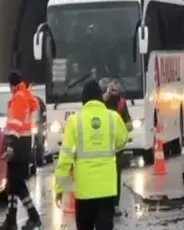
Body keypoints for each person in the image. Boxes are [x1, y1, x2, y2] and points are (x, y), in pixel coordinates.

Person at [55, 78, 129, 230]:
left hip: (84, 192)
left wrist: (59, 189)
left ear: (84, 100)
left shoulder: (74, 121)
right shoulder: (112, 117)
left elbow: (64, 160)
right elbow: (123, 140)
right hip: (107, 190)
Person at [0, 71, 42, 230]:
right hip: (23, 145)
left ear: (12, 85)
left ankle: (33, 216)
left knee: (17, 184)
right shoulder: (25, 96)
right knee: (12, 183)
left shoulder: (19, 98)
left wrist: (10, 146)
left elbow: (15, 125)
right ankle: (11, 219)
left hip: (17, 146)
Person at [99, 78, 134, 217]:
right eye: (110, 90)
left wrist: (121, 129)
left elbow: (129, 124)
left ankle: (114, 205)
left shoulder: (121, 103)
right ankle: (106, 204)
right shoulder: (101, 103)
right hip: (102, 146)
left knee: (115, 176)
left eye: (115, 90)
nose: (113, 93)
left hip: (116, 147)